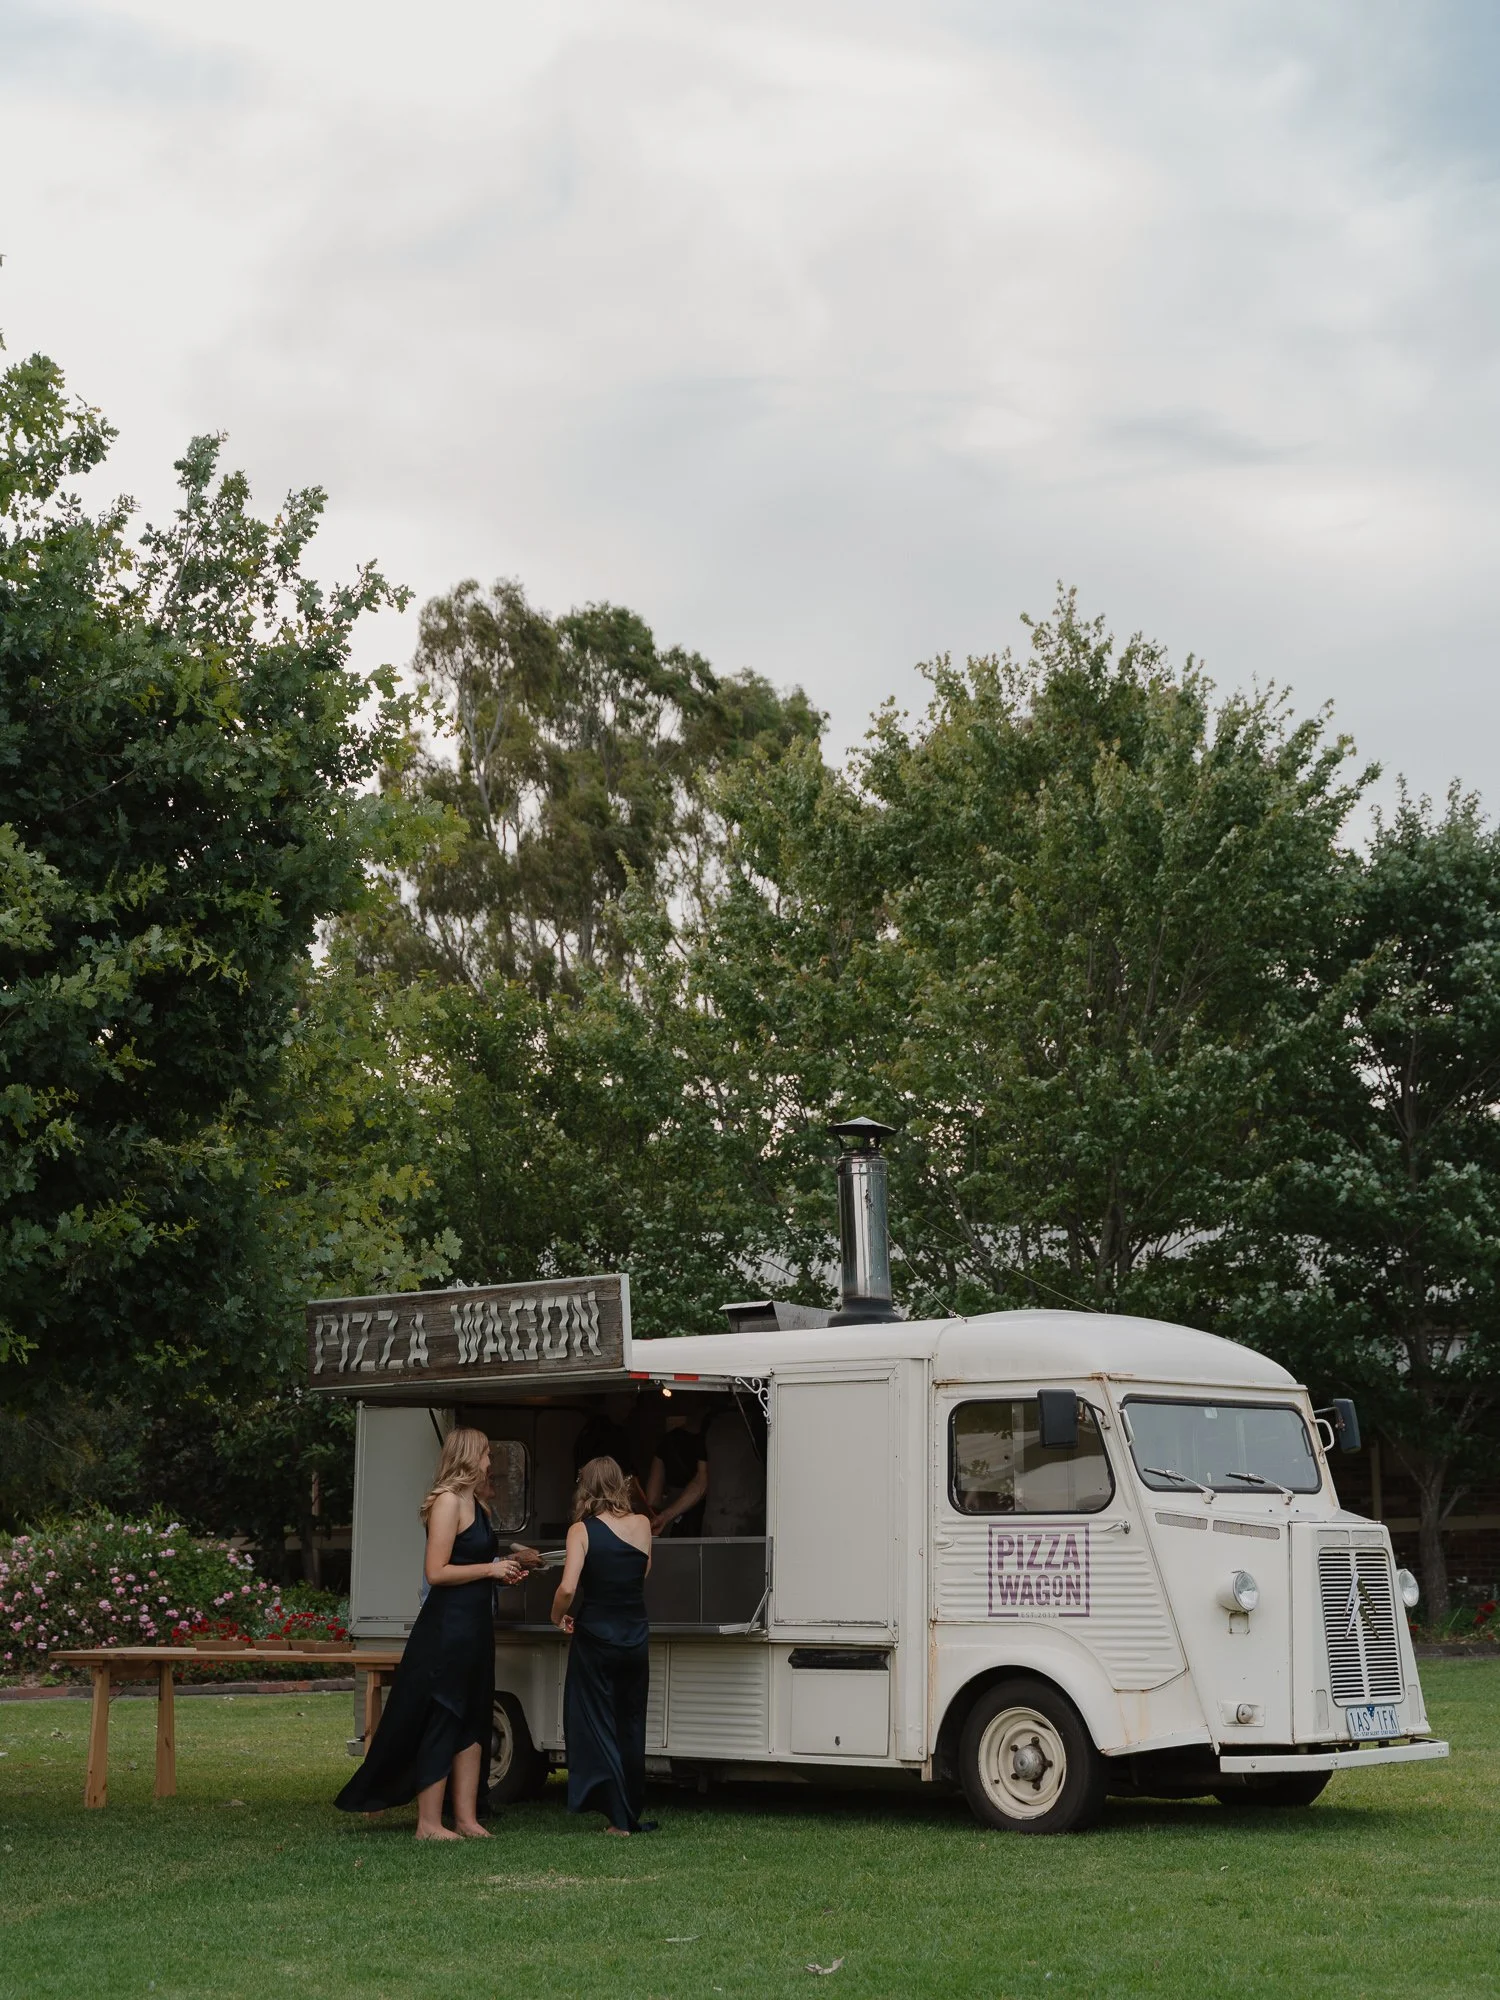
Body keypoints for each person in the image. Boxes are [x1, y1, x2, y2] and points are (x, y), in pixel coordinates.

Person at [335, 1426, 526, 1839]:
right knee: (445, 1714)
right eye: (486, 1455)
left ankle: (467, 1818)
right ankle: (428, 1823)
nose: (491, 1463)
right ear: (468, 1457)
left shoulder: (477, 1504)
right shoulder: (446, 1502)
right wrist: (489, 1569)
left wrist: (503, 1569)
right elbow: (436, 1572)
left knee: (474, 1716)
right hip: (446, 1628)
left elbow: (474, 1561)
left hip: (475, 1627)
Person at [551, 1455, 654, 1835]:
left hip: (596, 1635)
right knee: (630, 1722)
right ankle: (628, 1809)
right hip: (635, 1635)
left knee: (594, 1721)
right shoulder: (643, 1525)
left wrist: (556, 1616)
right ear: (620, 1485)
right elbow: (642, 1572)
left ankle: (615, 1813)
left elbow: (567, 1587)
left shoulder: (581, 1530)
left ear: (586, 1487)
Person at [646, 1405, 708, 1537]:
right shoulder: (709, 1438)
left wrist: (667, 1508)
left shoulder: (668, 1441)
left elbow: (652, 1498)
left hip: (674, 1522)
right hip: (704, 1520)